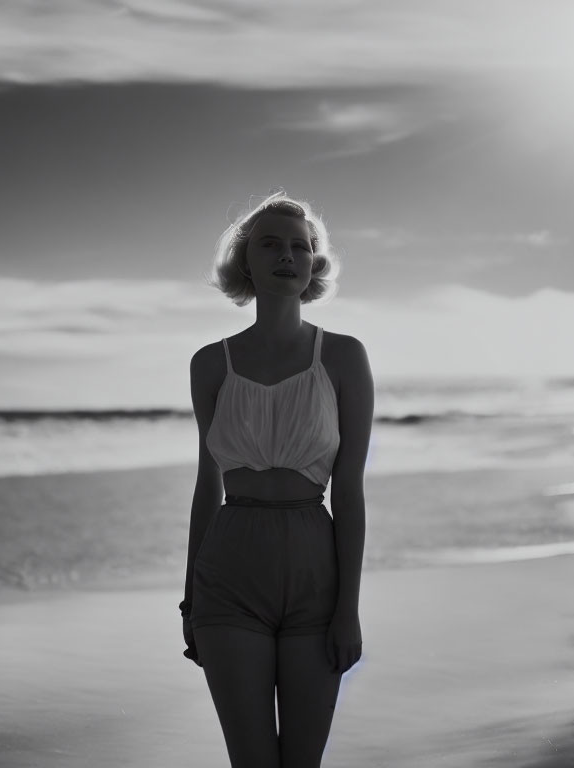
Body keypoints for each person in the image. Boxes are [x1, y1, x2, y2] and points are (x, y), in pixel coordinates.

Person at [179, 190, 374, 768]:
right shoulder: (210, 363)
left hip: (316, 571)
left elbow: (351, 490)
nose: (287, 255)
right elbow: (204, 487)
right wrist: (191, 597)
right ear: (246, 261)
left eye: (300, 246)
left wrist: (349, 608)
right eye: (270, 244)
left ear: (314, 263)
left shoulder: (342, 357)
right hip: (229, 575)